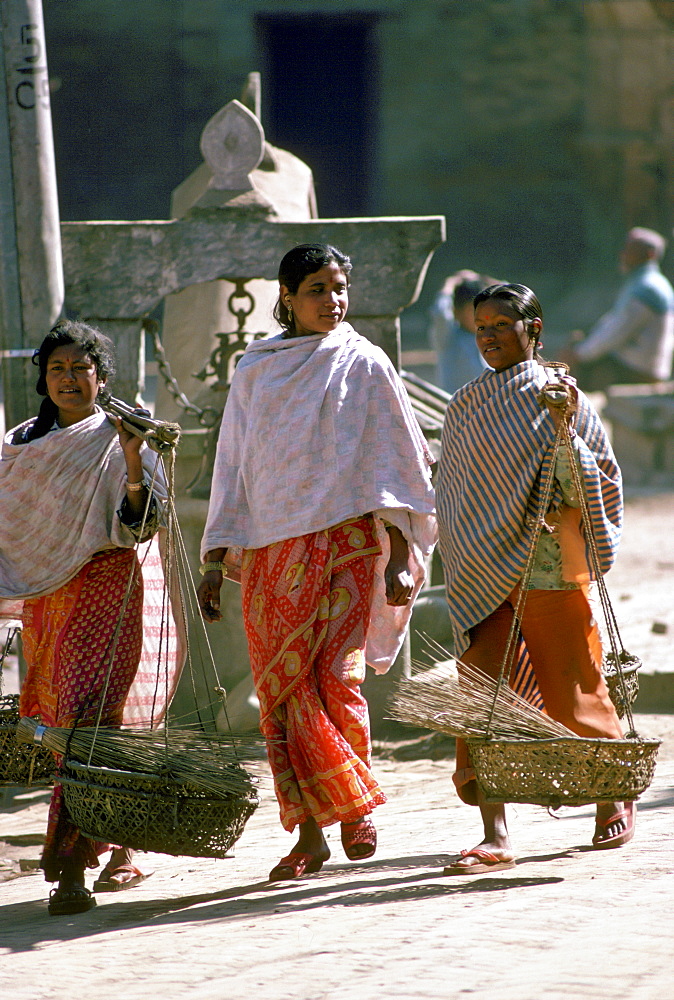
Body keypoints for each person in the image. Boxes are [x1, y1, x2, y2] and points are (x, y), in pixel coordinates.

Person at [198, 243, 436, 882]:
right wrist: (215, 556)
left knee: (337, 681)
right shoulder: (257, 370)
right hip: (274, 551)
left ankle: (354, 807)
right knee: (282, 691)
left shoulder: (365, 363)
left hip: (348, 548)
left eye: (338, 288)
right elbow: (233, 464)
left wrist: (401, 555)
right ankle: (310, 834)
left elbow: (391, 460)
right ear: (286, 298)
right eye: (316, 289)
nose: (332, 301)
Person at [435, 283, 632, 876]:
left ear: (534, 328)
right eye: (480, 326)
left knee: (572, 681)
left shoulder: (563, 394)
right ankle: (494, 832)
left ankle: (610, 793)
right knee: (483, 699)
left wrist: (565, 427)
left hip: (549, 560)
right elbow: (453, 492)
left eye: (502, 323)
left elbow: (601, 478)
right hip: (477, 568)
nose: (490, 335)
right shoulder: (464, 404)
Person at [0, 320, 180, 915]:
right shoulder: (21, 445)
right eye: (57, 369)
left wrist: (133, 460)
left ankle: (70, 866)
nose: (69, 379)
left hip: (107, 588)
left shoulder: (125, 434)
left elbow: (141, 523)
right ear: (43, 380)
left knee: (86, 723)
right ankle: (113, 840)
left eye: (82, 368)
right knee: (64, 727)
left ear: (101, 378)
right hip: (47, 600)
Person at [561, 227, 674, 390]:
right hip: (647, 364)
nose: (623, 254)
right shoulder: (647, 282)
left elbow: (616, 332)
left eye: (631, 250)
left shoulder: (647, 288)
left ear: (650, 254)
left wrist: (579, 353)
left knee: (572, 359)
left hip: (640, 368)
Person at [428, 270, 492, 394]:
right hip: (456, 408)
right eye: (473, 311)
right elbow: (440, 313)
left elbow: (515, 301)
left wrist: (482, 278)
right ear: (457, 312)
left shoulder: (489, 337)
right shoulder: (449, 338)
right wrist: (451, 282)